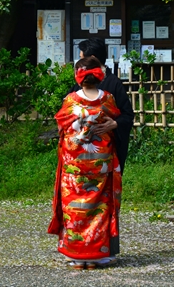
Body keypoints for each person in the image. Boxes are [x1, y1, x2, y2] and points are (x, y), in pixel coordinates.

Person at [48, 56, 122, 269]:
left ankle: (77, 256)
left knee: (74, 208)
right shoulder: (107, 98)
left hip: (75, 166)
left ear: (77, 76)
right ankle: (97, 256)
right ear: (100, 76)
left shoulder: (71, 100)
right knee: (99, 208)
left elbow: (62, 126)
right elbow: (114, 119)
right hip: (100, 164)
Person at [73, 38, 134, 173]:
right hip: (82, 148)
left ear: (93, 59)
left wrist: (114, 124)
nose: (79, 63)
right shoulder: (78, 85)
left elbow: (128, 115)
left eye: (82, 58)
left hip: (107, 148)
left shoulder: (113, 84)